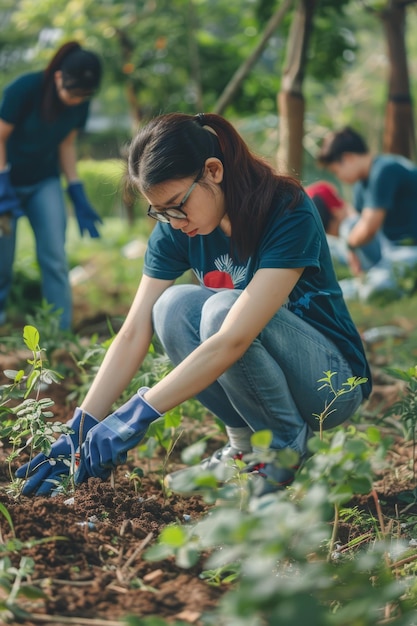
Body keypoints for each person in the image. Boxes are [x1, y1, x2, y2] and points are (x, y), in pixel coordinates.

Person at [15, 112, 372, 498]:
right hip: (267, 374)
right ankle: (243, 446)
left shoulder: (285, 209)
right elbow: (134, 329)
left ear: (213, 171)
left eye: (177, 204)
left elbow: (234, 338)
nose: (172, 221)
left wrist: (136, 414)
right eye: (160, 211)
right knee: (171, 306)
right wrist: (80, 428)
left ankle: (284, 450)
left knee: (222, 312)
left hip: (330, 385)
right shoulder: (178, 227)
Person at [0, 41, 103, 330]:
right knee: (1, 260)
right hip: (4, 184)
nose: (76, 101)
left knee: (54, 255)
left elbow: (66, 145)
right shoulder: (24, 89)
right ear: (58, 77)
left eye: (83, 96)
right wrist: (2, 184)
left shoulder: (80, 103)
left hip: (43, 181)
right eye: (72, 93)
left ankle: (59, 329)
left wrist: (76, 190)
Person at [316, 127, 417, 299]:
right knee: (346, 229)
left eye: (336, 171)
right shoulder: (361, 185)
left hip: (408, 249)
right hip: (387, 247)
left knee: (375, 290)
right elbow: (358, 227)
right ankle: (364, 279)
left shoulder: (385, 170)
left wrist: (349, 246)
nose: (339, 177)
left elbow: (369, 228)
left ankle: (366, 283)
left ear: (347, 158)